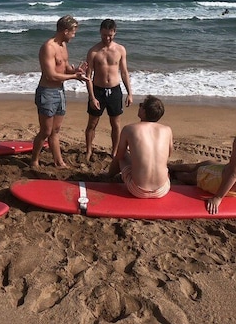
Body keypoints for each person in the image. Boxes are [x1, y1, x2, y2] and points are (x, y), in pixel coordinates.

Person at [31, 15, 89, 168]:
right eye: (73, 32)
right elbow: (50, 74)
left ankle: (59, 162)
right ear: (65, 31)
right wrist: (73, 76)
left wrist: (76, 71)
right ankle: (34, 160)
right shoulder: (48, 47)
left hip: (60, 91)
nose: (74, 35)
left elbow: (65, 66)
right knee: (45, 131)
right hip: (47, 92)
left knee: (56, 130)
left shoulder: (63, 45)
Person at [84, 19, 133, 162]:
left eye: (110, 35)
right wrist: (92, 97)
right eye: (104, 35)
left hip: (115, 91)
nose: (107, 38)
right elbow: (88, 76)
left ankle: (115, 151)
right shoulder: (93, 52)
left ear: (115, 33)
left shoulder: (120, 50)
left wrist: (129, 93)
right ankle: (88, 150)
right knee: (92, 123)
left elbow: (124, 72)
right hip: (98, 90)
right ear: (100, 32)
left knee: (115, 124)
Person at [108, 95, 173, 198]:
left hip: (137, 190)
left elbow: (119, 155)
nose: (139, 107)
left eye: (141, 105)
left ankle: (108, 176)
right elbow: (169, 153)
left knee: (123, 154)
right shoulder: (167, 130)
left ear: (144, 111)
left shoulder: (129, 129)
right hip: (162, 190)